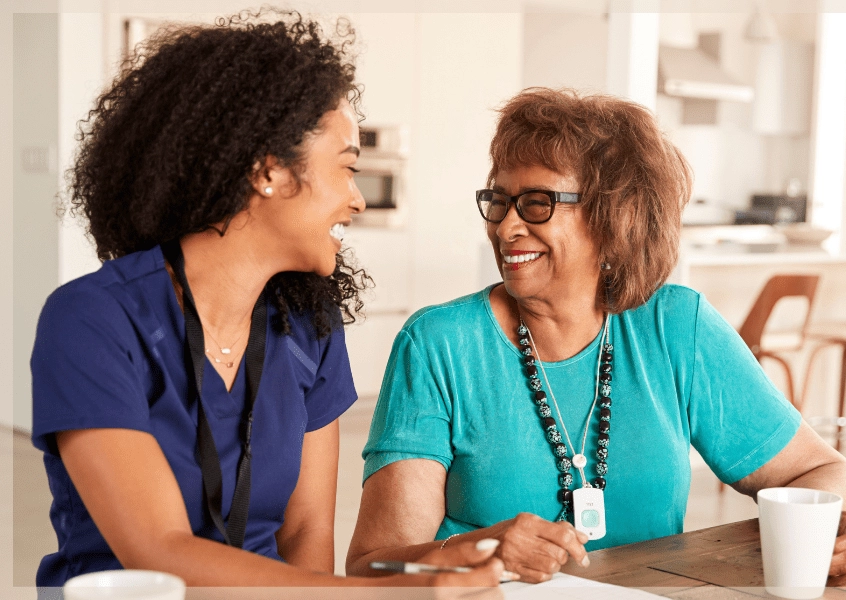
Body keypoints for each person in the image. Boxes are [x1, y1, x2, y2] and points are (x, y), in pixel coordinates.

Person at [30, 10, 503, 590]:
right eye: (347, 168)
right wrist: (387, 594)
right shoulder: (91, 320)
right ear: (268, 172)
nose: (357, 199)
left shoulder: (309, 325)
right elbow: (159, 552)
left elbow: (306, 534)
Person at [346, 88, 846, 583]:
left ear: (614, 217)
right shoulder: (438, 345)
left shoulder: (675, 327)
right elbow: (374, 567)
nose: (505, 228)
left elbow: (823, 471)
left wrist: (825, 528)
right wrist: (479, 549)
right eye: (500, 201)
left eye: (537, 203)